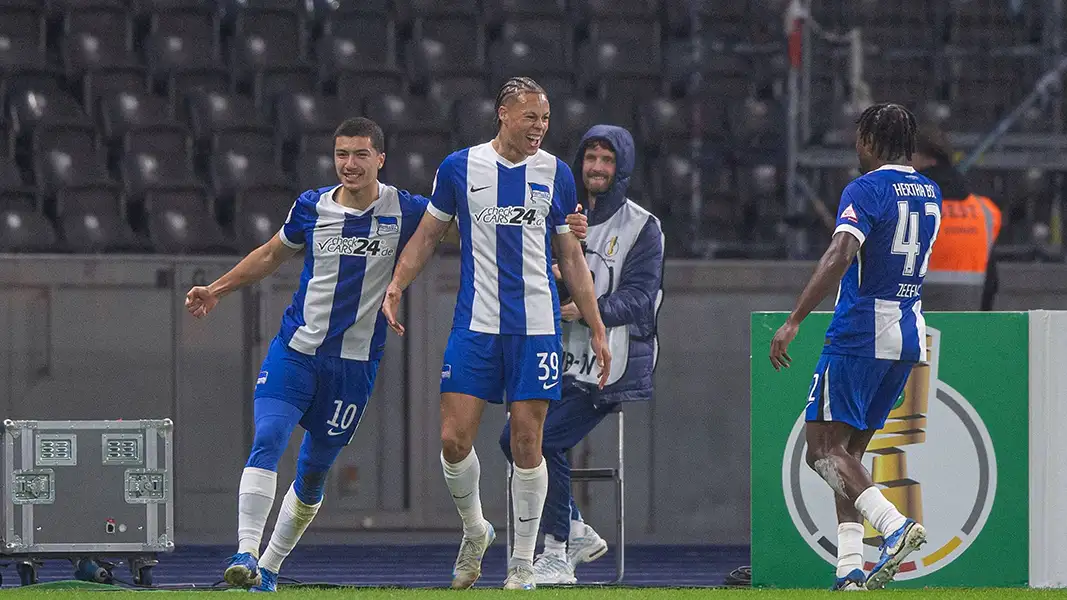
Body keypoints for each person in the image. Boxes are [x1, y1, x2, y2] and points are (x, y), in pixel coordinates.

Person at [185, 116, 588, 592]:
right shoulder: (311, 206)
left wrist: (557, 229)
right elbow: (271, 253)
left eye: (359, 155)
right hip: (296, 350)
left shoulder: (406, 209)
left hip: (354, 366)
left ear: (380, 159)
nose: (349, 165)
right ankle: (246, 551)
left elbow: (473, 228)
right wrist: (216, 289)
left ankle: (269, 567)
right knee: (269, 437)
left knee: (313, 472)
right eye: (341, 155)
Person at [380, 76, 611, 590]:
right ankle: (474, 529)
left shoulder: (555, 173)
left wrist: (595, 324)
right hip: (476, 324)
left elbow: (569, 254)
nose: (540, 128)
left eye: (546, 119)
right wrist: (396, 283)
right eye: (531, 117)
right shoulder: (460, 168)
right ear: (504, 114)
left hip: (537, 327)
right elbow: (427, 235)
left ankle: (523, 563)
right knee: (452, 439)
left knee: (529, 441)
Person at [768, 103, 940, 591]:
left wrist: (795, 319)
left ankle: (895, 527)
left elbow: (841, 253)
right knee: (847, 457)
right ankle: (849, 569)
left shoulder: (864, 189)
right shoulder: (930, 192)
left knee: (819, 450)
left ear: (867, 140)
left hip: (860, 333)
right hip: (906, 334)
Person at [498, 124, 664, 584]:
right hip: (557, 354)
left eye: (607, 160)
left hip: (613, 363)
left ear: (622, 168)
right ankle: (573, 529)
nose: (596, 167)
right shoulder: (560, 215)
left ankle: (558, 547)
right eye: (590, 158)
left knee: (540, 441)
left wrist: (586, 310)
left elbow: (642, 298)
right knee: (517, 439)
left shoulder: (642, 227)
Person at [910, 125, 1001, 311]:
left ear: (917, 156)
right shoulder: (985, 211)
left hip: (908, 330)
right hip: (968, 329)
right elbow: (991, 282)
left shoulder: (905, 206)